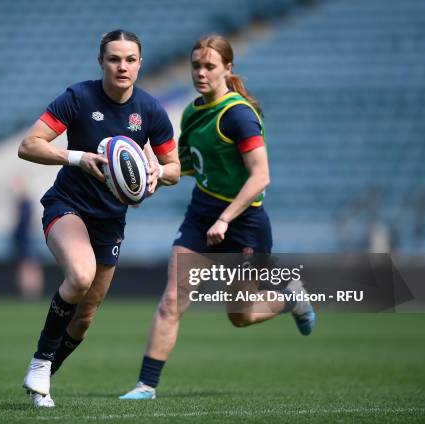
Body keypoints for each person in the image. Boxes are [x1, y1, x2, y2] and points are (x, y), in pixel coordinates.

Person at [119, 34, 316, 400]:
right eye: (196, 65)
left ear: (228, 68)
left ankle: (292, 300)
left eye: (209, 66)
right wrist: (148, 182)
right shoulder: (193, 112)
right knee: (172, 300)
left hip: (245, 224)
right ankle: (145, 386)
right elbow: (186, 168)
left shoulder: (238, 114)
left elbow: (261, 177)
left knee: (239, 315)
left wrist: (225, 219)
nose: (201, 73)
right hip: (200, 215)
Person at [17, 29, 181, 407]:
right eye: (113, 59)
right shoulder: (78, 97)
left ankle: (42, 380)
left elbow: (174, 167)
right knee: (80, 275)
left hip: (110, 222)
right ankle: (40, 362)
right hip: (67, 205)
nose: (122, 66)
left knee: (85, 317)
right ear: (101, 62)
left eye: (129, 59)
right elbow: (29, 145)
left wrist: (157, 175)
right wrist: (77, 157)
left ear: (140, 63)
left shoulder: (150, 111)